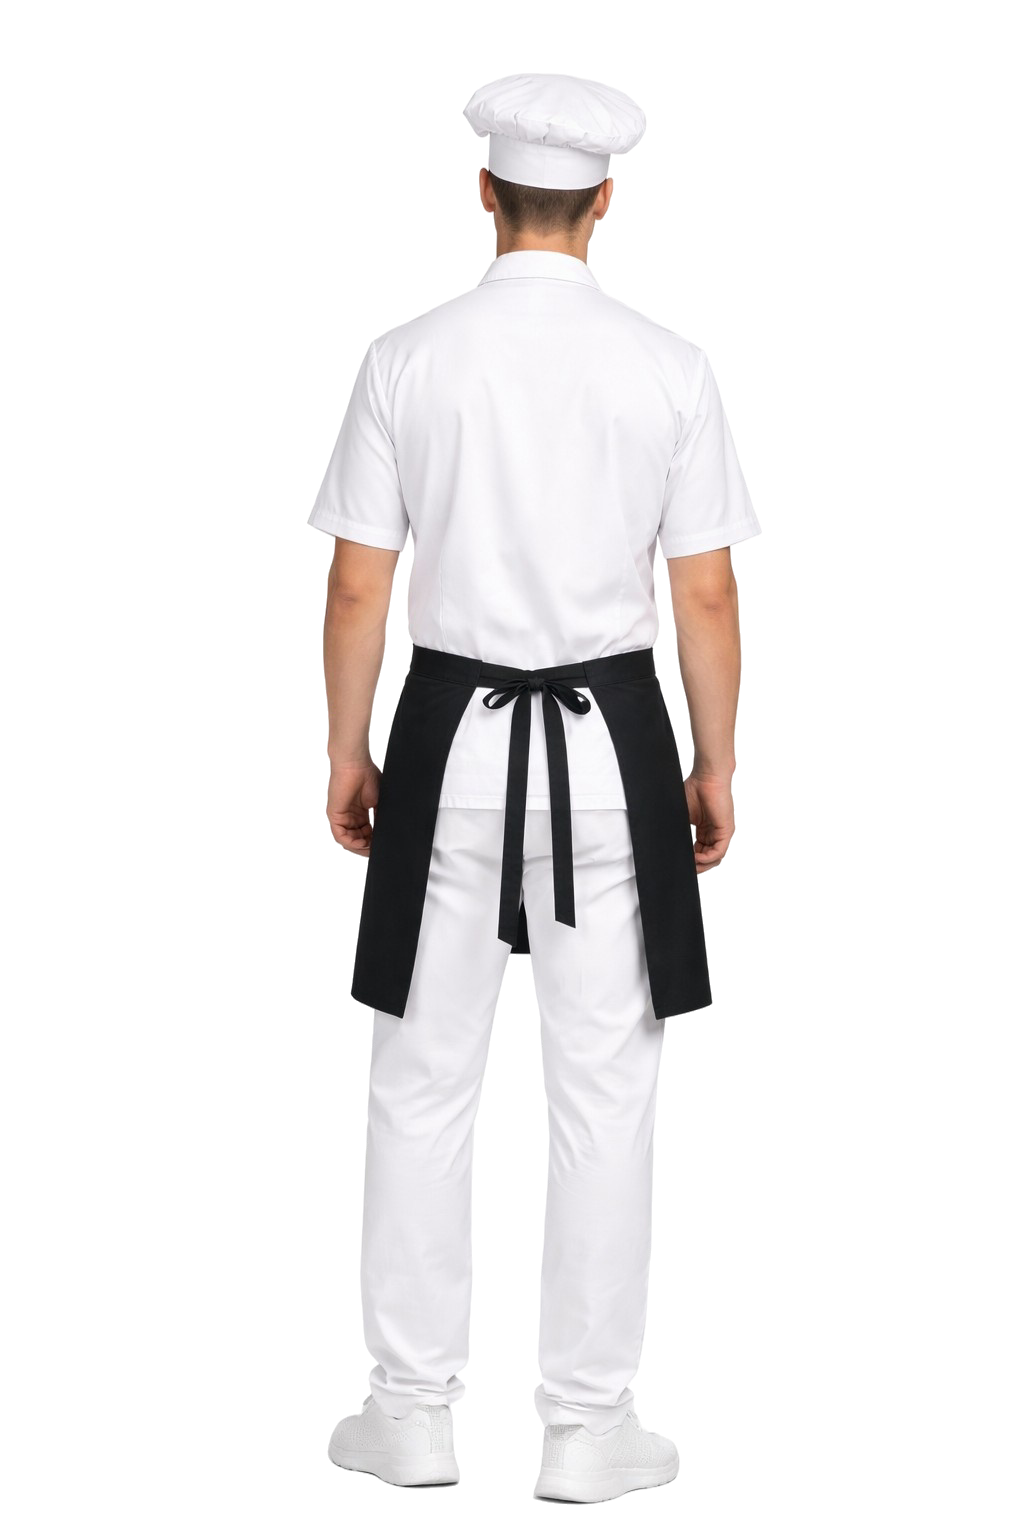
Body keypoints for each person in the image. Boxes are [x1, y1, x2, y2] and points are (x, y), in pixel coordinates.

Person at [307, 72, 760, 1504]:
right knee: (604, 1092)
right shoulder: (670, 366)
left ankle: (408, 1412)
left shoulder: (407, 357)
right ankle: (587, 1427)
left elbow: (359, 583)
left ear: (486, 194)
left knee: (420, 1081)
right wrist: (715, 761)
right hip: (614, 753)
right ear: (605, 202)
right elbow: (704, 595)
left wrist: (347, 748)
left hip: (445, 743)